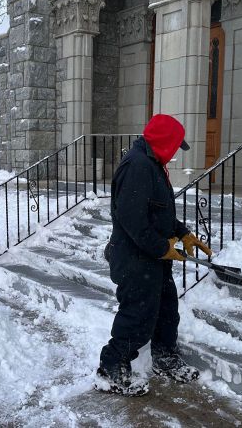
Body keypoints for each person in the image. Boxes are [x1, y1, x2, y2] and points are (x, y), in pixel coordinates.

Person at [95, 114, 213, 397]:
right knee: (138, 314)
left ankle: (164, 356)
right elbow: (132, 220)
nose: (175, 153)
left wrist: (182, 233)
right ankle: (110, 368)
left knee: (166, 309)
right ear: (163, 142)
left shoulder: (152, 164)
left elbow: (156, 212)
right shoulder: (138, 166)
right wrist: (163, 247)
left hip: (152, 259)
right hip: (136, 260)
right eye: (174, 146)